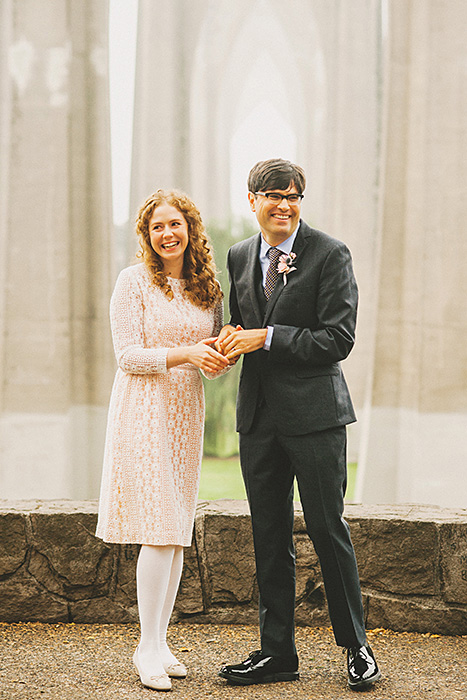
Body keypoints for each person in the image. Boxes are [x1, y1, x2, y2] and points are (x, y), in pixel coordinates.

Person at [216, 159, 381, 691]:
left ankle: (356, 647)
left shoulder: (330, 253)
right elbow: (241, 325)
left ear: (300, 202)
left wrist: (265, 338)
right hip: (259, 418)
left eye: (292, 196)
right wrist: (225, 343)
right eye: (272, 196)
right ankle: (276, 653)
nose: (283, 205)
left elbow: (338, 339)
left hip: (315, 419)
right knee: (268, 536)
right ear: (252, 200)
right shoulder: (240, 255)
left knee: (329, 532)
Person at [96, 189, 230, 692]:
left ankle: (161, 639)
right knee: (157, 526)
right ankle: (145, 647)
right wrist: (188, 353)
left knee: (175, 530)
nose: (167, 234)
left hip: (184, 413)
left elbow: (207, 359)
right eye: (157, 227)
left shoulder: (206, 291)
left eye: (176, 224)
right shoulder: (132, 282)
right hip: (143, 410)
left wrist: (220, 353)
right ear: (147, 237)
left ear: (190, 229)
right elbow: (128, 355)